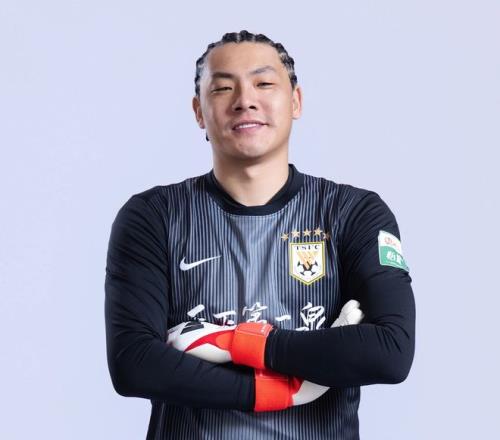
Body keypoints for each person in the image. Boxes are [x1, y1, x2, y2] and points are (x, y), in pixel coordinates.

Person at [104, 30, 416, 440]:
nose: (244, 100)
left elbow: (390, 351)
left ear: (296, 102)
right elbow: (134, 364)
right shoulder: (154, 216)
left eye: (264, 83)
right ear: (199, 112)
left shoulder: (353, 213)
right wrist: (268, 391)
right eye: (223, 88)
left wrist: (239, 342)